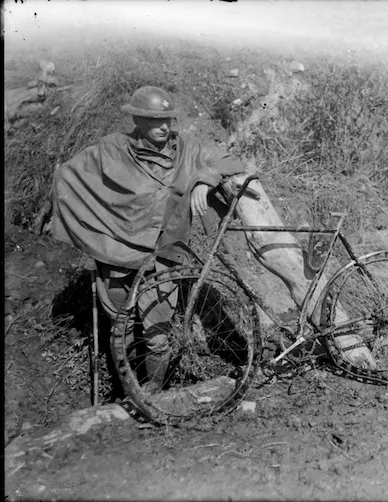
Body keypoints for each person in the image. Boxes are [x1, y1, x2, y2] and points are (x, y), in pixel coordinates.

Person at [52, 86, 244, 392]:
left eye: (167, 119)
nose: (164, 127)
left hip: (163, 256)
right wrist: (96, 230)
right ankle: (128, 390)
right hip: (117, 254)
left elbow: (230, 161)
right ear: (137, 120)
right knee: (121, 327)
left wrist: (202, 181)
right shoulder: (111, 150)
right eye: (155, 120)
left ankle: (154, 392)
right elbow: (67, 177)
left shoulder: (187, 150)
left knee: (157, 332)